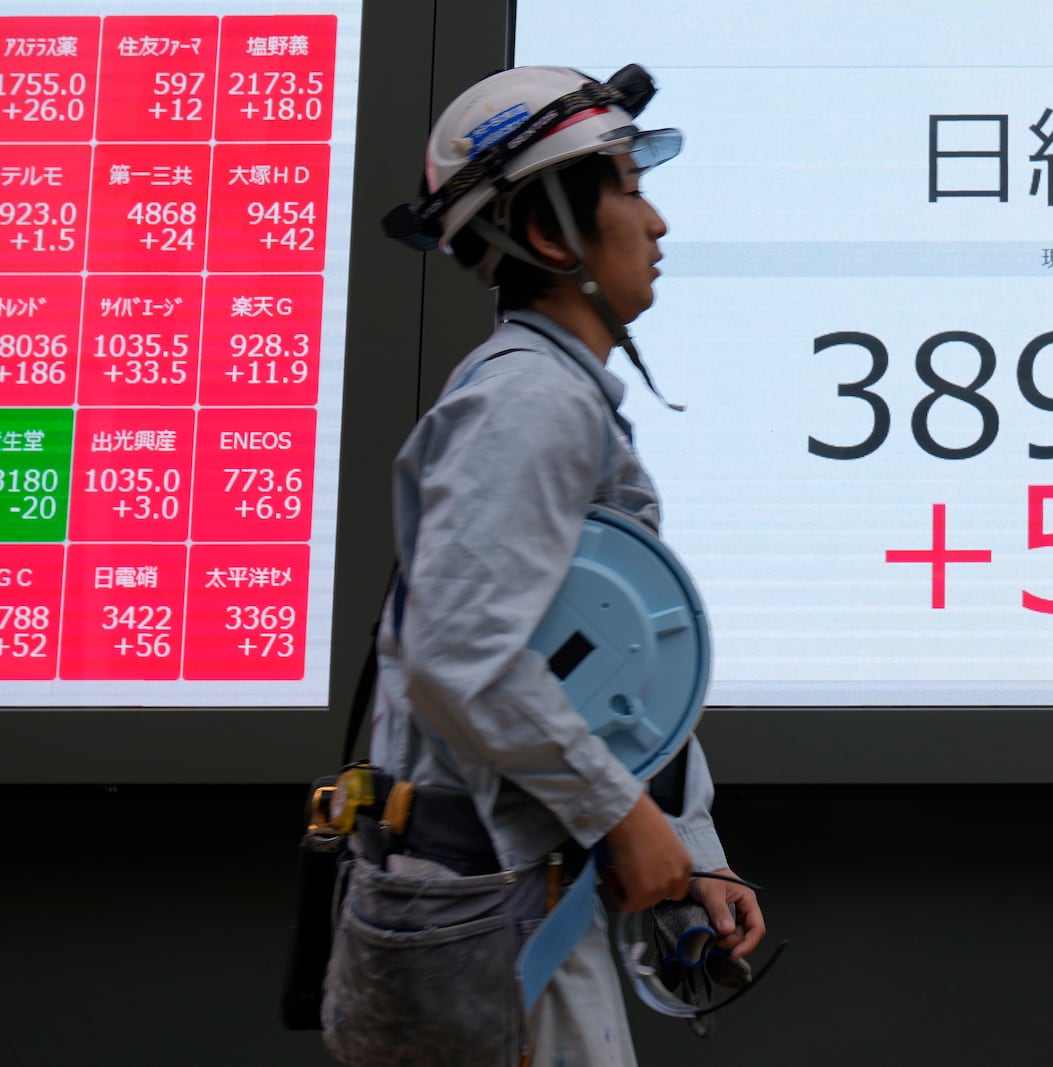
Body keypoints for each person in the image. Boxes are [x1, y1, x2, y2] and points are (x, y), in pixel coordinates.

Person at [321, 64, 765, 1067]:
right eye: (629, 188)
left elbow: (608, 687)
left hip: (521, 897)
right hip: (493, 914)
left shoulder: (551, 396)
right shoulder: (530, 402)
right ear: (553, 233)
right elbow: (457, 650)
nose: (655, 224)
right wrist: (624, 815)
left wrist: (688, 847)